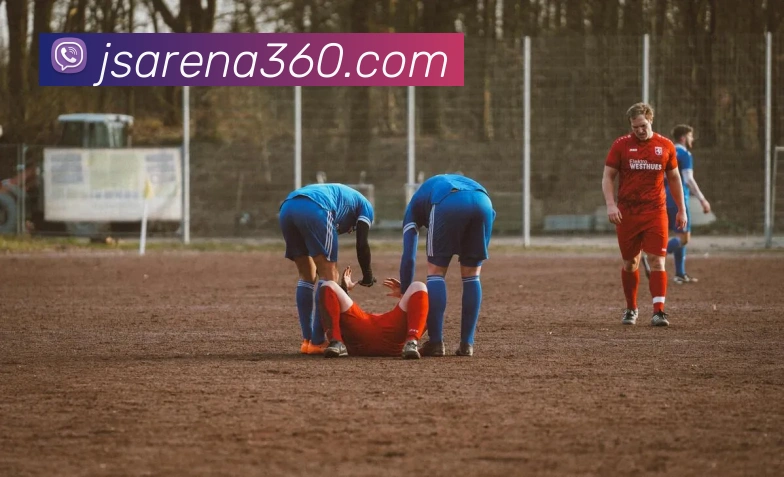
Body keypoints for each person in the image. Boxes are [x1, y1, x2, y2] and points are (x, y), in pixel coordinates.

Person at [602, 102, 688, 327]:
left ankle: (659, 311)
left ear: (651, 120)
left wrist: (681, 209)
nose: (639, 130)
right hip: (627, 214)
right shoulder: (621, 145)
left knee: (657, 261)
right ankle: (631, 308)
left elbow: (675, 178)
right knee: (630, 263)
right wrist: (611, 205)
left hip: (655, 212)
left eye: (642, 125)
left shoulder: (665, 146)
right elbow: (608, 177)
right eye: (634, 127)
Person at [398, 174, 495, 357]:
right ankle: (467, 344)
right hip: (484, 202)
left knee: (436, 272)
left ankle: (436, 343)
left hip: (447, 201)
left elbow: (409, 255)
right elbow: (492, 214)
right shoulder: (440, 184)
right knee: (472, 274)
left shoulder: (412, 208)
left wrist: (405, 290)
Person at [278, 183, 377, 355]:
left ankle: (306, 341)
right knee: (329, 277)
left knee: (306, 275)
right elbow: (362, 244)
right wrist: (368, 275)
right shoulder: (366, 207)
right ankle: (317, 341)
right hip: (317, 208)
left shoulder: (343, 198)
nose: (350, 232)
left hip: (288, 207)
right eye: (352, 229)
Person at [319, 266, 429, 359]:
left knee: (328, 285)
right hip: (392, 333)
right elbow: (419, 314)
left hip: (360, 332)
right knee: (419, 286)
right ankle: (411, 342)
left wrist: (344, 290)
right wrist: (405, 296)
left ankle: (336, 342)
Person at [662, 124, 711, 284]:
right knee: (684, 238)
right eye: (690, 136)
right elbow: (688, 180)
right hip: (679, 199)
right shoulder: (685, 154)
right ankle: (656, 255)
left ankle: (680, 273)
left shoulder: (666, 152)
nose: (692, 139)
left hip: (664, 198)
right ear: (683, 138)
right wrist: (703, 199)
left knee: (679, 235)